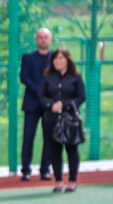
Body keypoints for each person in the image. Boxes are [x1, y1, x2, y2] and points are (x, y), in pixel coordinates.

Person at [39, 48, 85, 193]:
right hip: (51, 118)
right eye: (55, 58)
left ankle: (72, 181)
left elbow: (81, 97)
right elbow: (41, 96)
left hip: (70, 118)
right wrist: (50, 105)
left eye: (61, 58)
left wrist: (64, 105)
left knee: (71, 149)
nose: (58, 61)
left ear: (67, 60)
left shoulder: (76, 77)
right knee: (54, 150)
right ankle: (58, 181)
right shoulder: (48, 77)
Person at [20, 29, 55, 181]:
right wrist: (39, 91)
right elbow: (24, 77)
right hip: (32, 103)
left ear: (50, 39)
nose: (43, 40)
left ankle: (45, 169)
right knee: (28, 136)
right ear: (36, 39)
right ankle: (26, 170)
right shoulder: (28, 57)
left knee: (49, 137)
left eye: (46, 37)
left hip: (49, 104)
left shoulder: (56, 57)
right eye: (40, 37)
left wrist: (48, 93)